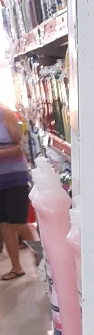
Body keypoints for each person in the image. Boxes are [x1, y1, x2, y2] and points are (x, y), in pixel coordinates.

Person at [0, 102, 34, 281]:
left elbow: (20, 146)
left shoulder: (5, 115)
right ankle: (16, 267)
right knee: (4, 222)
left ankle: (40, 255)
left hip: (14, 176)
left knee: (17, 222)